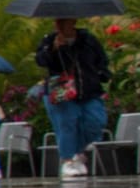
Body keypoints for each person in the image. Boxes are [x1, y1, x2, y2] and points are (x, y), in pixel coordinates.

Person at [36, 17, 111, 178]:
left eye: (64, 21)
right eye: (57, 22)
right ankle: (68, 160)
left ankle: (77, 151)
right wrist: (54, 49)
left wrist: (101, 74)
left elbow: (101, 59)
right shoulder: (49, 40)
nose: (60, 25)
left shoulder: (88, 39)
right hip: (63, 92)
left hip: (89, 89)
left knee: (96, 121)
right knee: (67, 124)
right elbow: (42, 61)